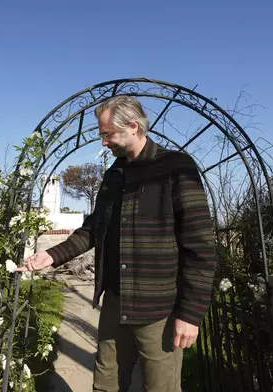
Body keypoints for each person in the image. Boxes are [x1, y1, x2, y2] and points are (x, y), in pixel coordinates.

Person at [16, 96, 217, 392]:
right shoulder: (113, 176)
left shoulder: (176, 167)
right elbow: (95, 229)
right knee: (105, 385)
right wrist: (51, 256)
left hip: (158, 310)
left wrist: (190, 314)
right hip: (115, 304)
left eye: (107, 134)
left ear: (133, 127)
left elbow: (200, 246)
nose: (104, 142)